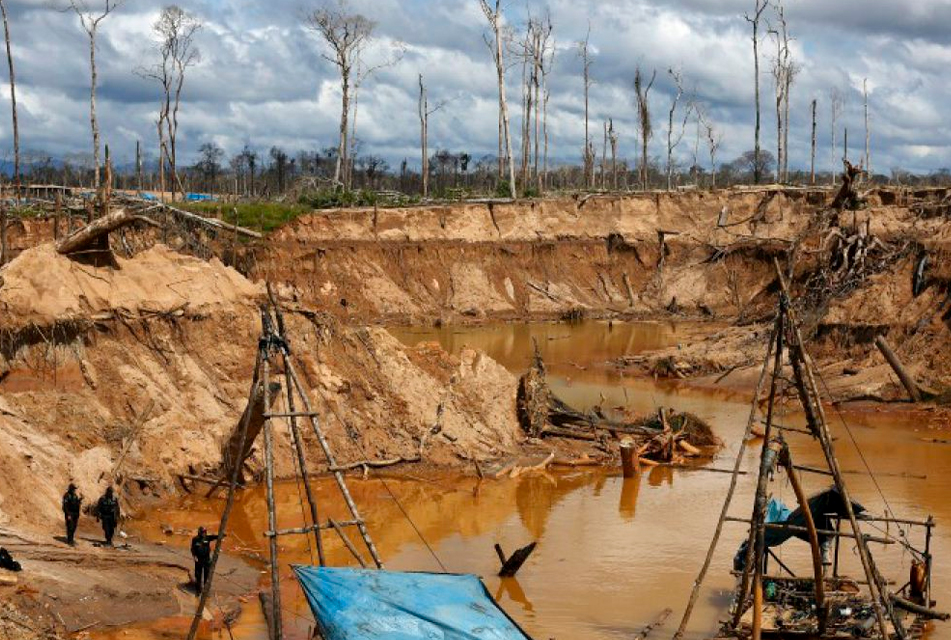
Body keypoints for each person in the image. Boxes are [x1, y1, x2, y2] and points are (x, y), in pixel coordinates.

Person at [190, 526, 223, 594]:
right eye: (202, 532)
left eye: (205, 532)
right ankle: (198, 591)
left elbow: (215, 537)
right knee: (198, 576)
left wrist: (222, 535)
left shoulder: (207, 538)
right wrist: (194, 557)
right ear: (199, 532)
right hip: (198, 560)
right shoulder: (195, 539)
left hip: (207, 560)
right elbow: (192, 549)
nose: (204, 533)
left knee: (206, 576)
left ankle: (205, 591)